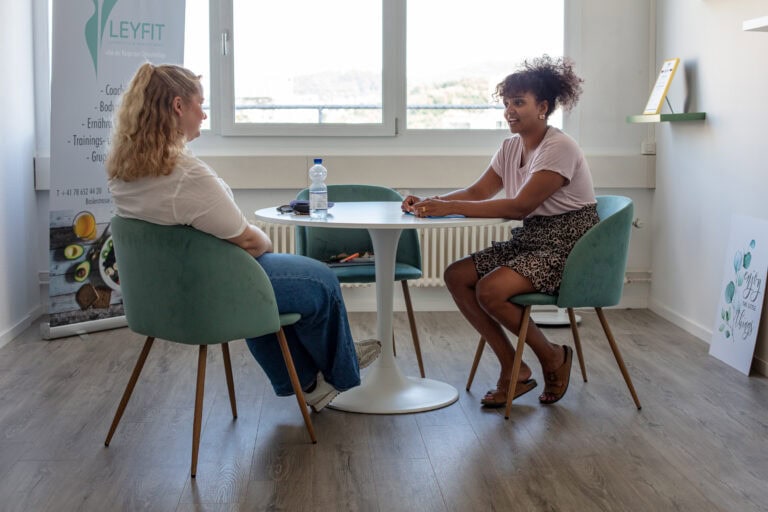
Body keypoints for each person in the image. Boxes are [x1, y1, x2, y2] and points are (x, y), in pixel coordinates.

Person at [106, 63, 380, 412]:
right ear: (178, 106)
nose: (203, 115)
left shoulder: (123, 172)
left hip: (163, 297)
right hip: (213, 291)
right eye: (199, 104)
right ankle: (343, 371)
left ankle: (308, 382)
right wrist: (262, 241)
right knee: (320, 280)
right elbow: (250, 242)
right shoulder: (186, 175)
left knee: (263, 292)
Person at [402, 55, 597, 407]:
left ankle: (552, 356)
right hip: (534, 238)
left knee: (491, 290)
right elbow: (478, 193)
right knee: (457, 275)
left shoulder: (559, 148)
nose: (509, 110)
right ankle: (514, 366)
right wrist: (432, 203)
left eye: (519, 102)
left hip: (569, 244)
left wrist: (451, 208)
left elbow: (519, 206)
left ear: (543, 107)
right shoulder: (510, 147)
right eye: (506, 103)